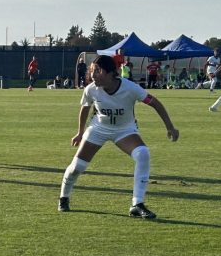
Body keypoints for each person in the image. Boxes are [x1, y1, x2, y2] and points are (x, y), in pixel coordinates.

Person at [58, 54, 179, 219]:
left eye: (98, 71)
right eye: (92, 71)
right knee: (77, 167)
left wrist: (170, 127)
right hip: (98, 128)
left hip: (125, 130)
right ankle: (64, 198)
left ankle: (137, 204)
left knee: (143, 154)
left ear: (110, 73)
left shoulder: (131, 88)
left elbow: (155, 103)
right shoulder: (91, 89)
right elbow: (85, 108)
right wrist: (80, 132)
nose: (93, 75)